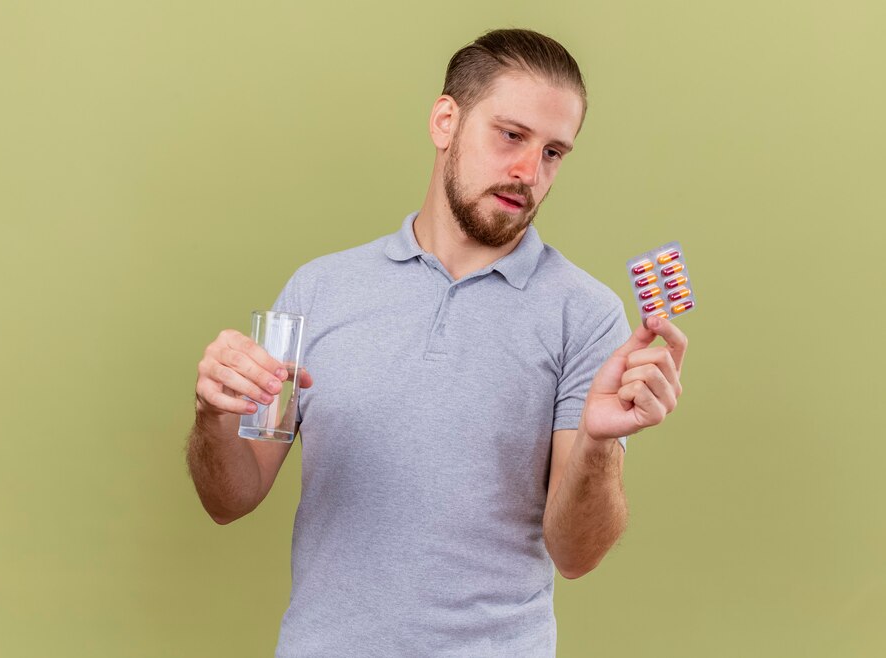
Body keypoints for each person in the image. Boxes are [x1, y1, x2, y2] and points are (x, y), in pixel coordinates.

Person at [187, 28, 688, 657]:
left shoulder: (586, 316)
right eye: (511, 135)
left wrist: (601, 442)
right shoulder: (319, 291)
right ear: (445, 120)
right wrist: (213, 414)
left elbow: (577, 555)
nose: (529, 172)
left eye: (554, 152)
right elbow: (231, 498)